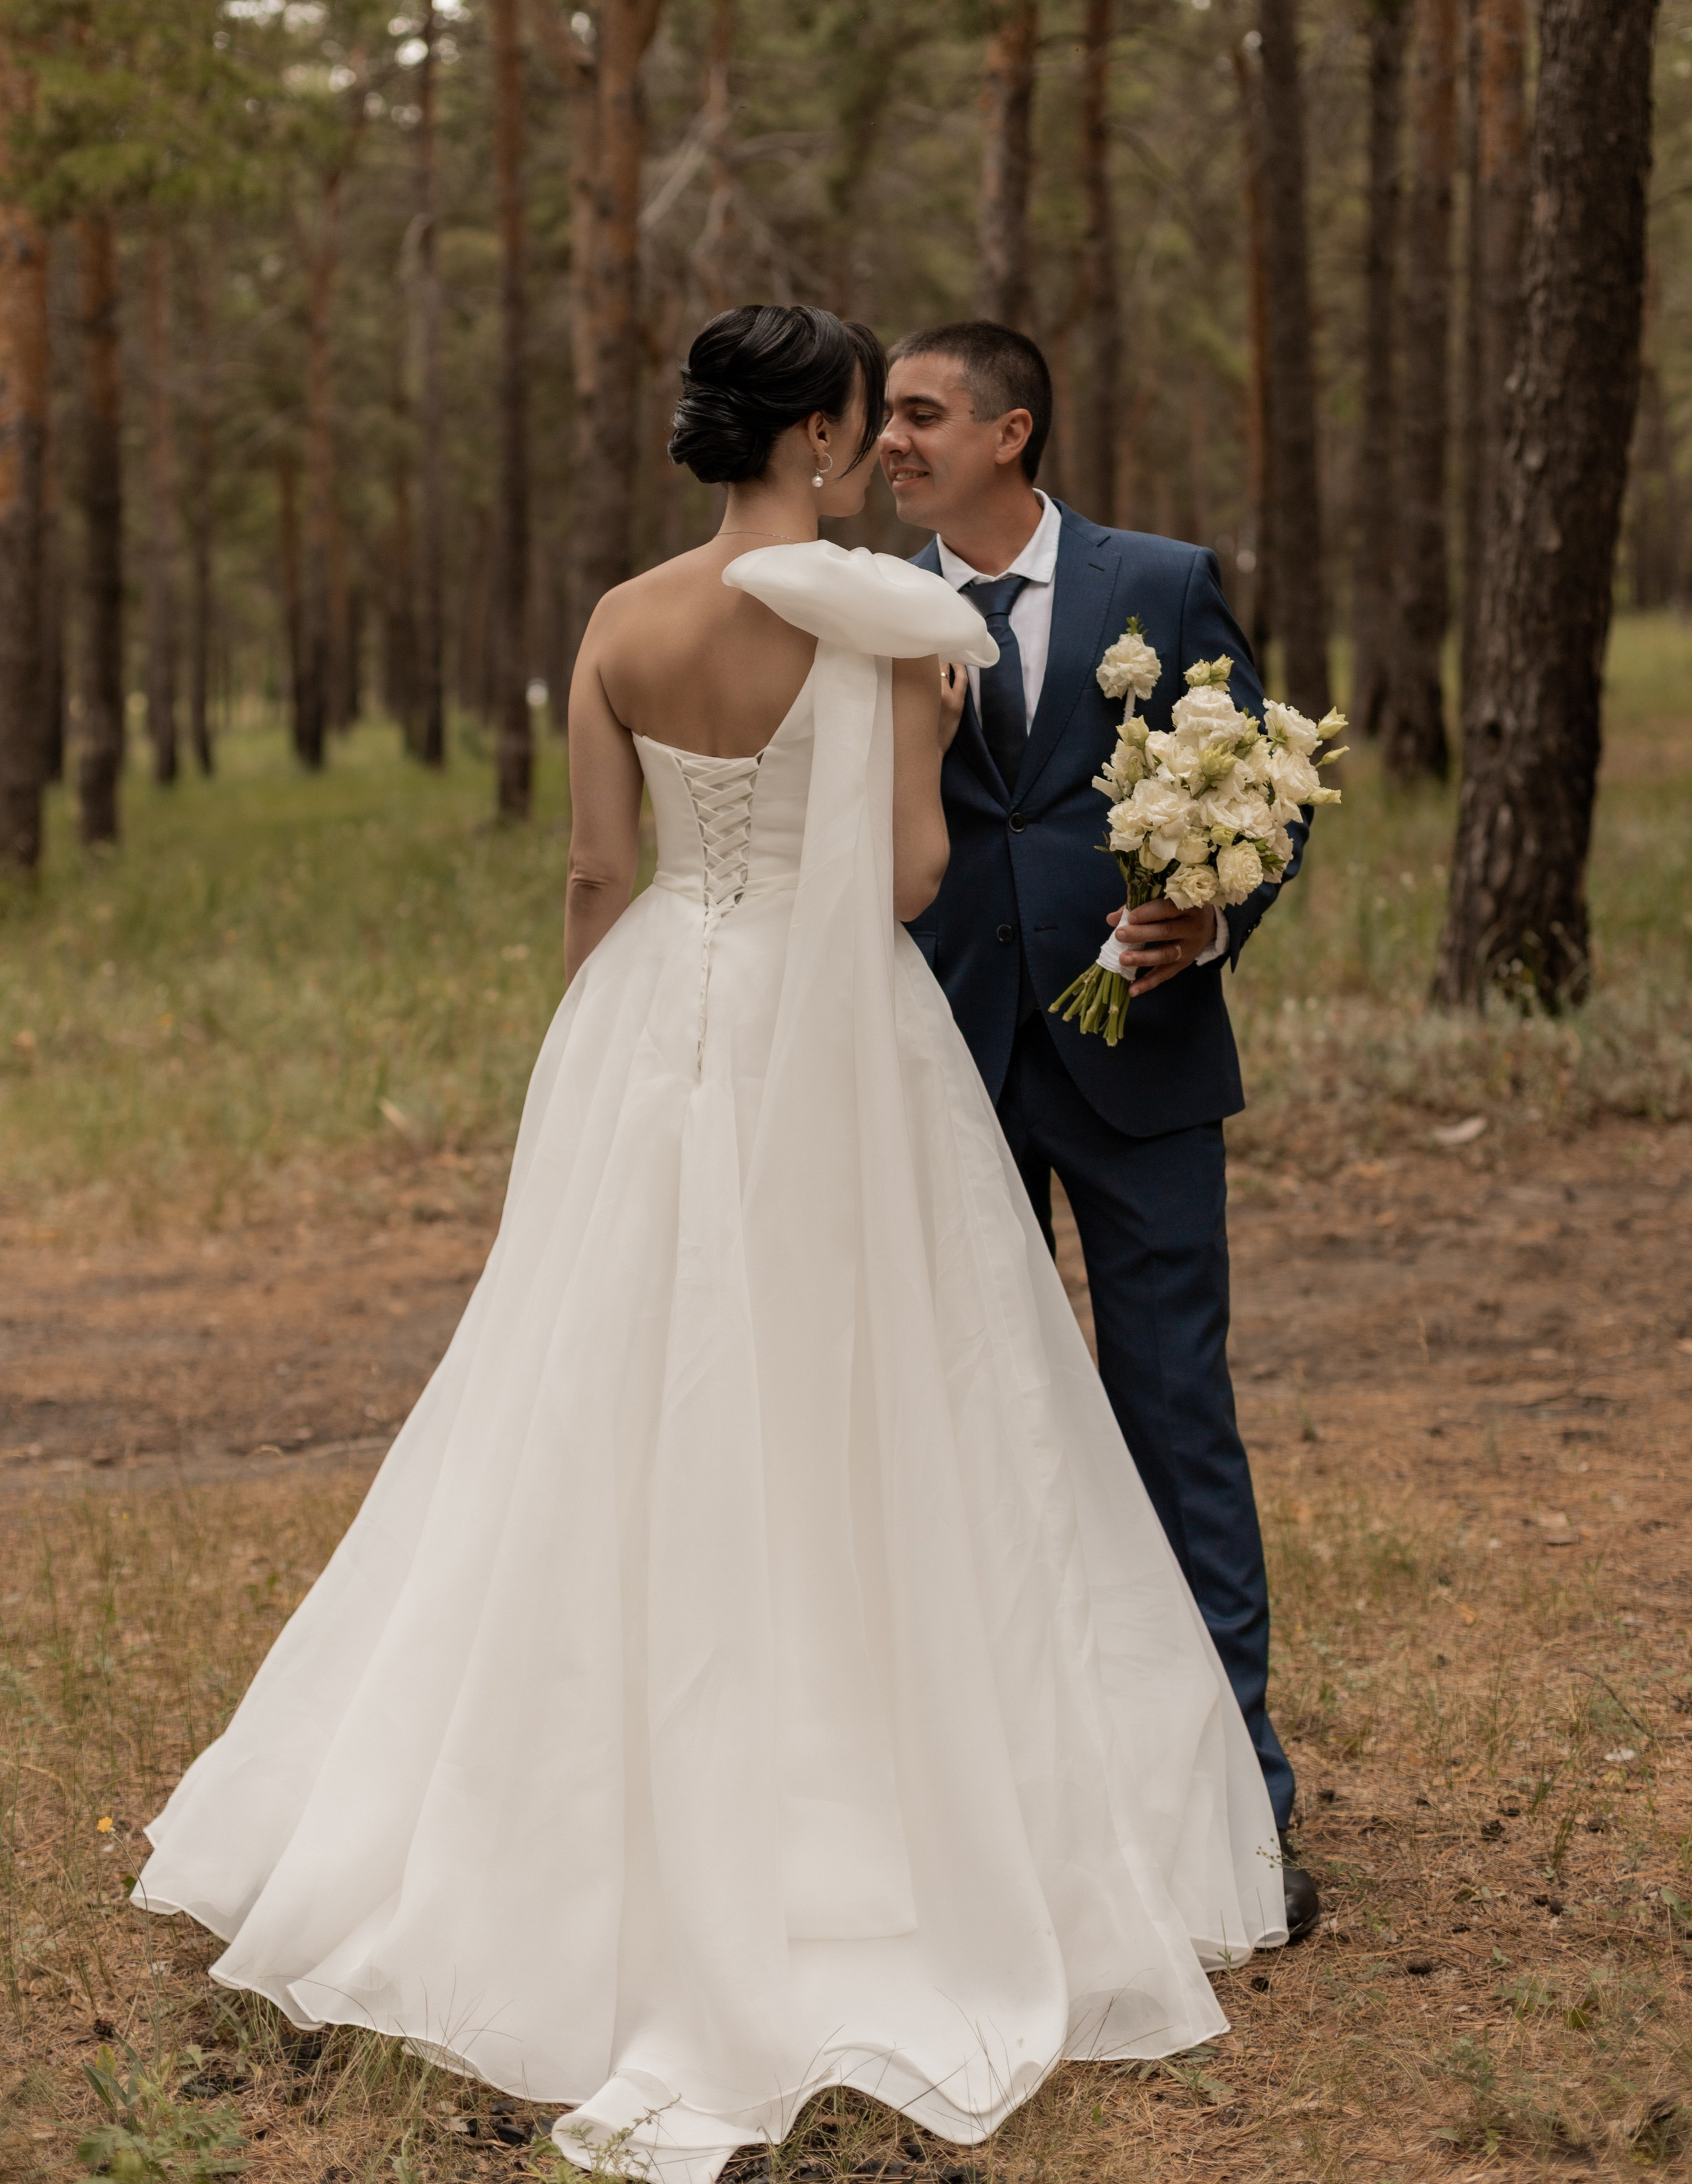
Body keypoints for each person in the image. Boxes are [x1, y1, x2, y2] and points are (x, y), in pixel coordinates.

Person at [135, 305, 1285, 2184]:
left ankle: (539, 1809)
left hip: (656, 1015)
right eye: (861, 418)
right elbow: (905, 879)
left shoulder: (618, 621)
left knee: (599, 1397)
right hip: (831, 1039)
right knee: (873, 1398)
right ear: (818, 435)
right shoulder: (879, 624)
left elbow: (599, 870)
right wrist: (903, 760)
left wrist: (611, 1052)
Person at [884, 319, 1318, 1941]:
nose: (890, 442)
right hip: (943, 1065)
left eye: (920, 415)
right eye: (887, 419)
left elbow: (1261, 792)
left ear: (1009, 431)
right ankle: (1018, 1808)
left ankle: (1238, 1809)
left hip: (1142, 1064)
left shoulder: (1164, 580)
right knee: (976, 1432)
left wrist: (1212, 921)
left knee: (1174, 1420)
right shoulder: (877, 612)